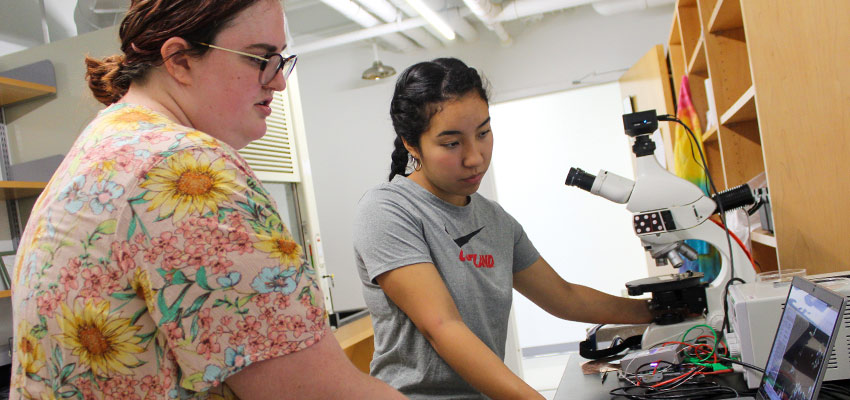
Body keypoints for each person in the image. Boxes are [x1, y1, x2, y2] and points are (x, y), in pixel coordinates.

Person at [9, 1, 405, 399]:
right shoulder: (181, 167)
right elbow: (318, 393)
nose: (278, 82)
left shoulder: (106, 144)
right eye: (261, 59)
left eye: (280, 61)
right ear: (180, 61)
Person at [353, 57, 655, 399]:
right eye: (451, 143)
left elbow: (565, 298)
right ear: (411, 143)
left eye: (483, 133)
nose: (475, 157)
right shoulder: (387, 210)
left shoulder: (495, 220)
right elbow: (442, 326)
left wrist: (657, 311)